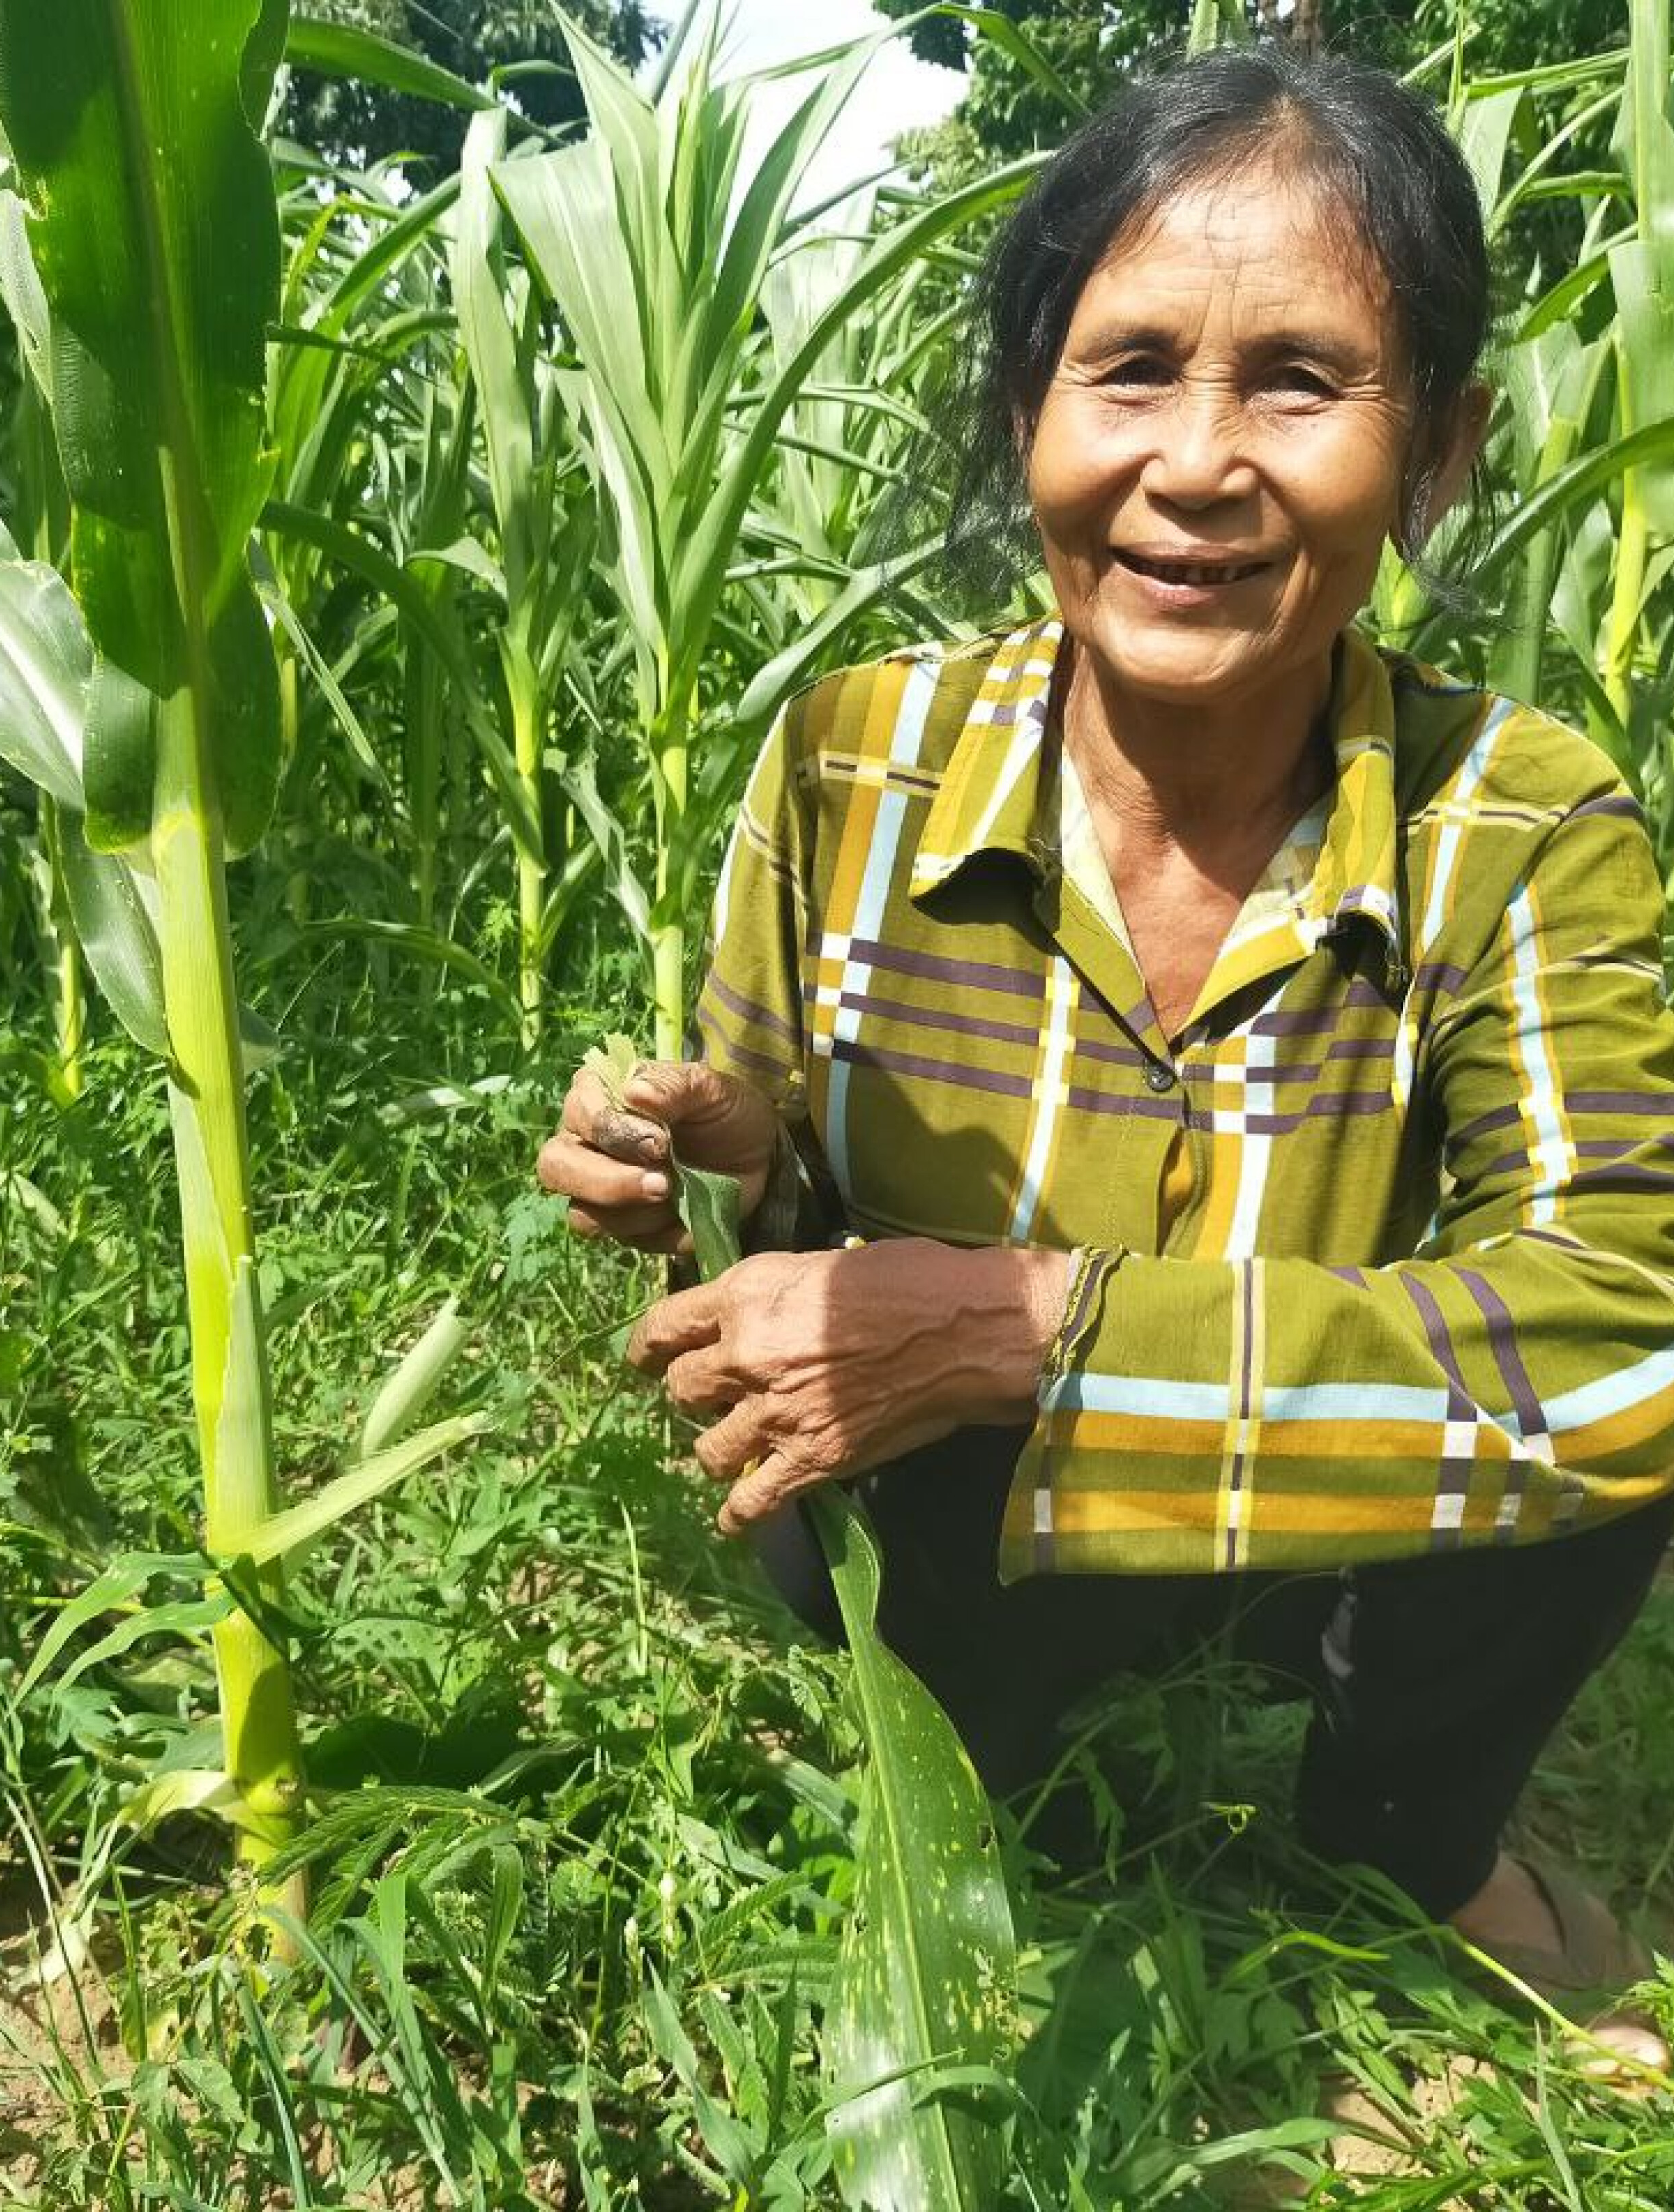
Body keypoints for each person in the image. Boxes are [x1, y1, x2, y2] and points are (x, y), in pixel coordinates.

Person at [536, 44, 1674, 2063]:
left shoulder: (1524, 820)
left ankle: (1393, 1840)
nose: (1200, 460)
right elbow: (772, 1189)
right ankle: (985, 1813)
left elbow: (1626, 1334)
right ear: (1028, 414)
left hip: (1323, 1550)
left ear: (1449, 453)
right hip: (947, 1544)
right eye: (1129, 368)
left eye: (1303, 382)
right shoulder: (854, 757)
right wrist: (713, 1155)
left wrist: (1030, 1323)